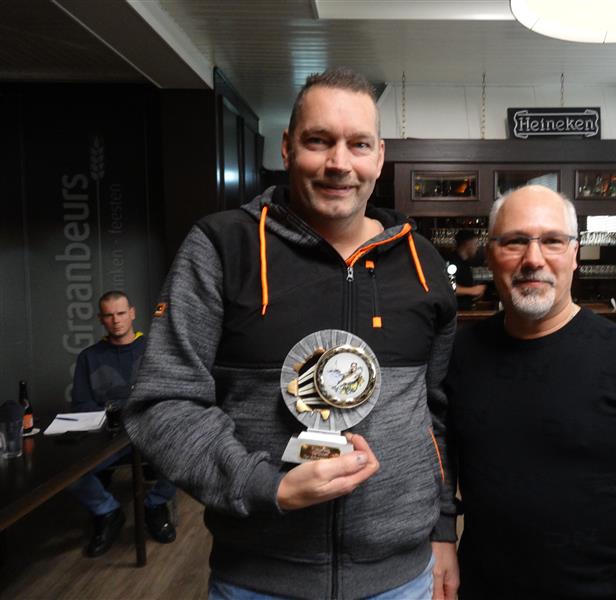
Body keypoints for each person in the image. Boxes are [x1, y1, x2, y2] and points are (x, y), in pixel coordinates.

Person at [124, 67, 460, 600]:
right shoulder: (221, 247)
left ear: (379, 157)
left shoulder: (423, 263)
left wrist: (442, 527)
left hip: (400, 580)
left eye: (358, 144)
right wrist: (265, 485)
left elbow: (436, 413)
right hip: (258, 579)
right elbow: (163, 401)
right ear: (287, 147)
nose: (339, 163)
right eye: (318, 141)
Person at [445, 185, 616, 599]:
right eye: (515, 241)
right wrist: (441, 534)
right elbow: (436, 465)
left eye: (552, 241)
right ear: (490, 255)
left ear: (574, 254)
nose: (534, 258)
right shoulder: (461, 354)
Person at [69, 290, 177, 557]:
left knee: (185, 456)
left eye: (120, 313)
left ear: (132, 313)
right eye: (109, 315)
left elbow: (170, 394)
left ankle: (154, 505)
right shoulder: (89, 357)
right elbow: (81, 404)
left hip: (151, 433)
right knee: (69, 475)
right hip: (109, 439)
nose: (116, 320)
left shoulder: (155, 350)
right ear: (100, 319)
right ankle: (108, 512)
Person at [450, 230, 486, 310]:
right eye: (475, 244)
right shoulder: (453, 262)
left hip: (464, 309)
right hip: (456, 312)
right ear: (468, 244)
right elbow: (449, 287)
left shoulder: (464, 262)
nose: (477, 247)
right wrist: (473, 290)